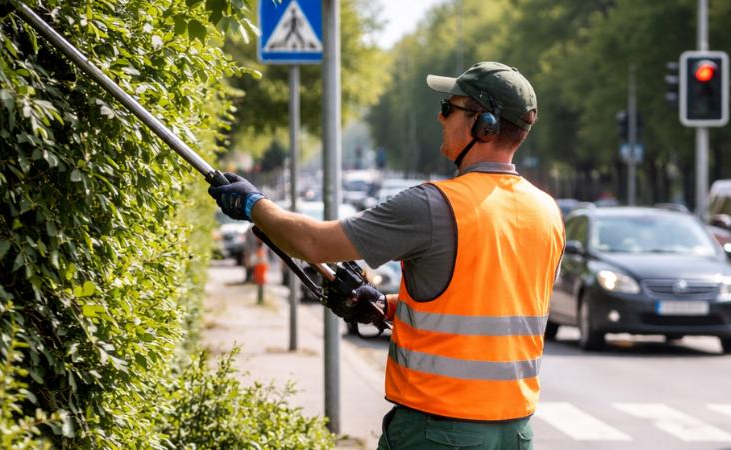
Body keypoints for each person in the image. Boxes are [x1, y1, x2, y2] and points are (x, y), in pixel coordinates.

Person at [209, 61, 565, 450]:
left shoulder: (433, 206)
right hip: (514, 432)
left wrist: (252, 204)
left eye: (450, 108)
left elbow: (312, 244)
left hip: (438, 434)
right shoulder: (547, 212)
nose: (440, 116)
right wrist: (388, 305)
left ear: (485, 126)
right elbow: (490, 305)